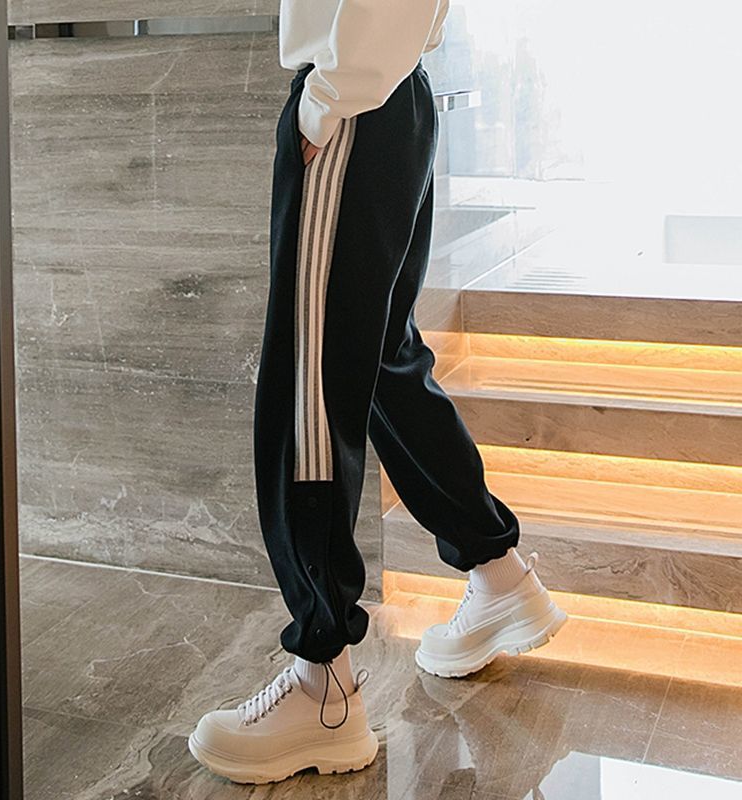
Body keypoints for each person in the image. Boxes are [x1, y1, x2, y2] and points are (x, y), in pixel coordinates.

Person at [188, 0, 566, 784]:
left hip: (355, 98)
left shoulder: (343, 97)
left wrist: (325, 102)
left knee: (310, 383)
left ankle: (321, 683)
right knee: (382, 361)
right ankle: (497, 572)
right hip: (388, 93)